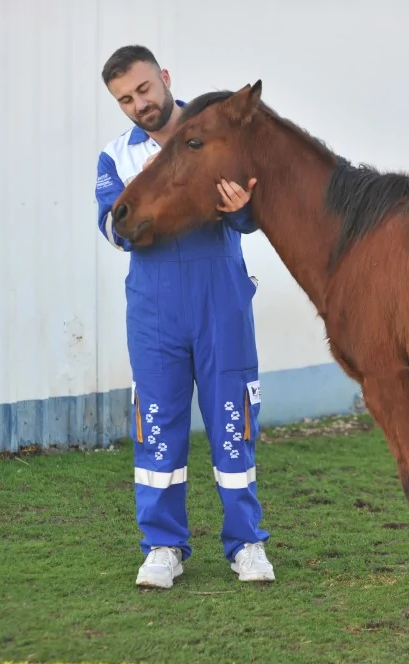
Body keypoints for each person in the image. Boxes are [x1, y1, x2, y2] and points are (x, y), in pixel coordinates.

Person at [94, 45, 274, 588]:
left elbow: (250, 216)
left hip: (220, 299)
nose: (139, 104)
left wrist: (239, 206)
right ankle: (163, 547)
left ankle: (246, 543)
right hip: (153, 309)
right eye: (125, 99)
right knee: (156, 429)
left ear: (165, 78)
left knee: (232, 424)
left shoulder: (216, 133)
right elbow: (111, 227)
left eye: (144, 89)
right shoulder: (116, 156)